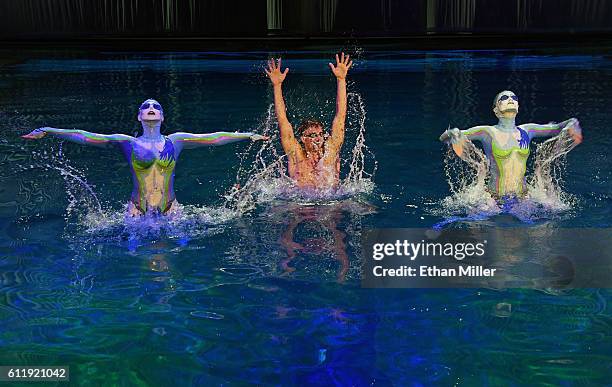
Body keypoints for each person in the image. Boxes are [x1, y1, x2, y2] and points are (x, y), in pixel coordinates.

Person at [22, 99, 266, 216]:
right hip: (136, 210)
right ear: (139, 116)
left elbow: (214, 138)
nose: (151, 108)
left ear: (162, 117)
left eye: (156, 107)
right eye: (146, 106)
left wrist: (247, 135)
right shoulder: (128, 143)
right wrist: (49, 130)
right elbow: (86, 136)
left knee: (177, 255)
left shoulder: (176, 141)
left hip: (171, 209)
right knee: (135, 258)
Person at [439, 90, 583, 198]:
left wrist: (572, 123)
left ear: (518, 106)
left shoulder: (528, 130)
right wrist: (452, 133)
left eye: (514, 98)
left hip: (524, 197)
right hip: (494, 198)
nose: (510, 100)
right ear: (496, 109)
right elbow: (447, 137)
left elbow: (557, 128)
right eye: (504, 98)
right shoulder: (487, 132)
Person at [265, 53, 353, 190]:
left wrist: (341, 80)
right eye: (312, 135)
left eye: (320, 134)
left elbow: (340, 117)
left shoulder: (331, 150)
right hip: (300, 206)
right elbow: (283, 121)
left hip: (331, 205)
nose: (318, 138)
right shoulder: (296, 154)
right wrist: (277, 86)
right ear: (303, 138)